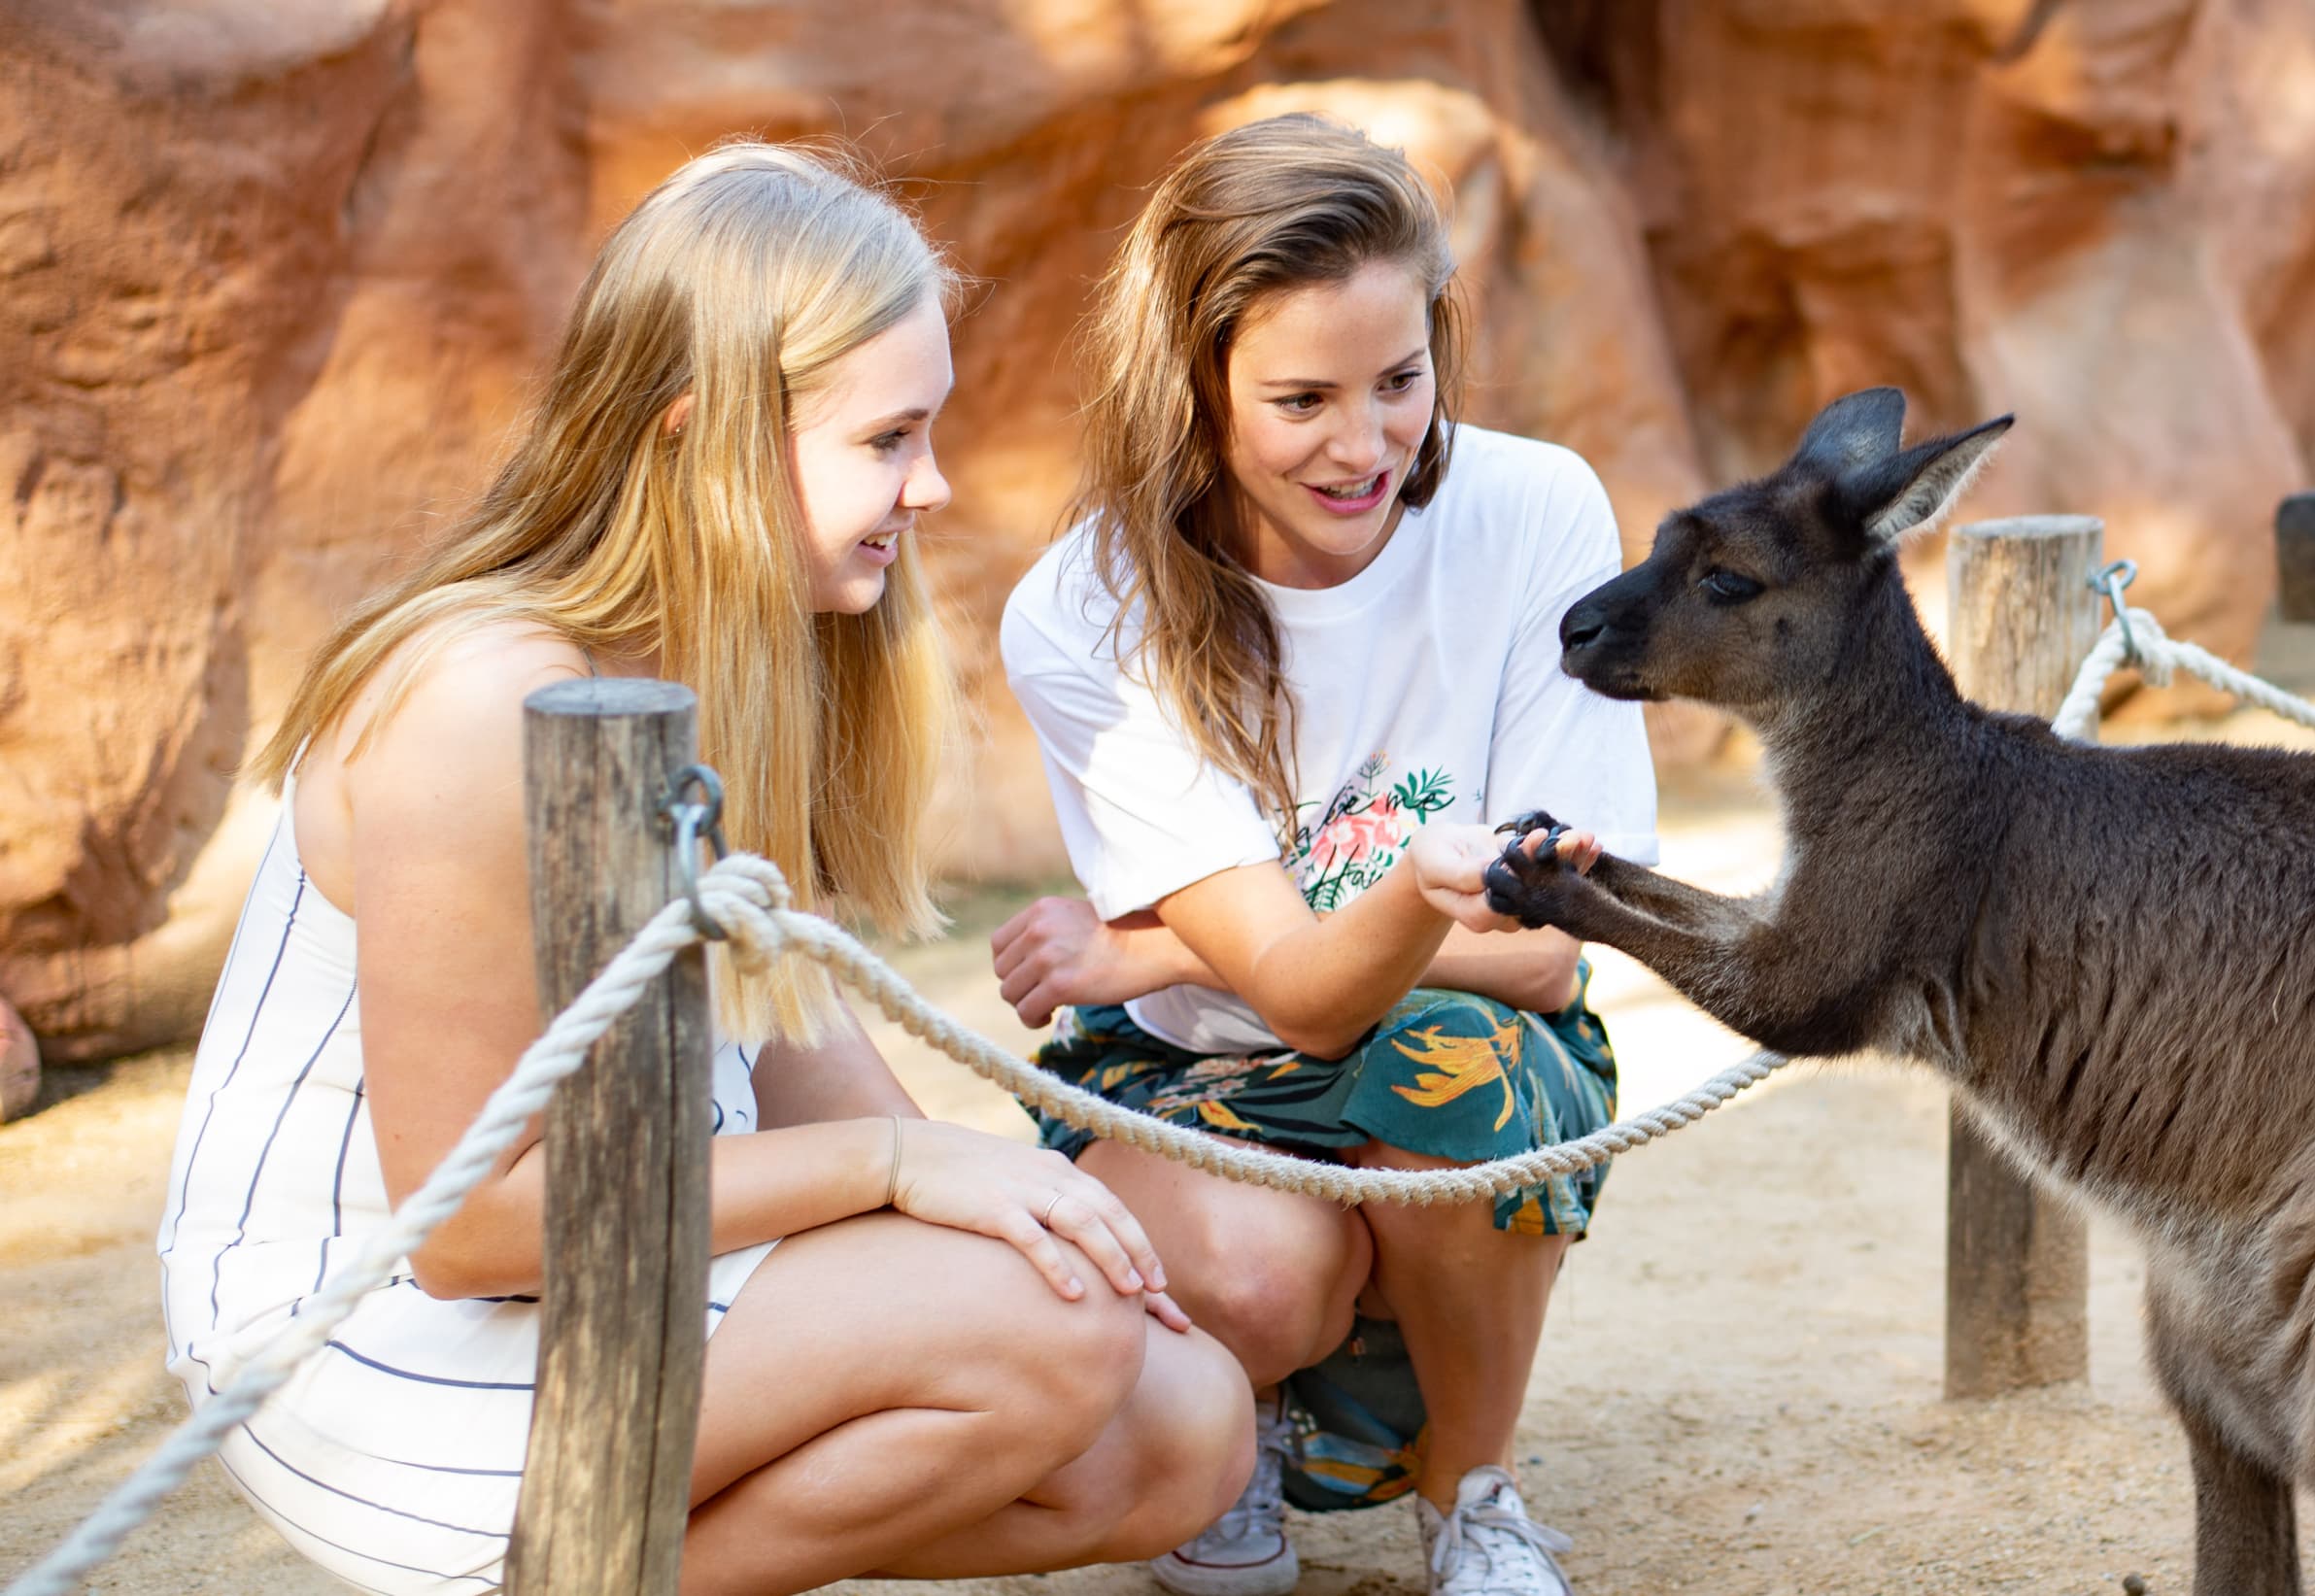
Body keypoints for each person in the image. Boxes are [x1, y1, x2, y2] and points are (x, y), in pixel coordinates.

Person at [153, 142, 1253, 1596]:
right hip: (373, 1349)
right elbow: (471, 1229)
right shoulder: (477, 700)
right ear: (703, 436)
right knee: (1048, 1336)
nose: (935, 487)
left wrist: (993, 1192)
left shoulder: (719, 666)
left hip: (616, 1270)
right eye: (889, 438)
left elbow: (807, 1065)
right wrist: (898, 1169)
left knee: (1183, 1425)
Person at [988, 113, 1655, 1596]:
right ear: (1195, 384)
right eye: (1301, 398)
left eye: (1400, 380)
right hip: (1191, 1074)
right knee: (1259, 1274)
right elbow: (1294, 997)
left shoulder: (1537, 512)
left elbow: (1550, 945)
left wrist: (1151, 941)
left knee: (1460, 1060)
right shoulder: (1086, 606)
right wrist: (1404, 896)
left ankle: (1472, 1490)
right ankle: (1228, 1446)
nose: (1364, 446)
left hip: (1465, 1061)